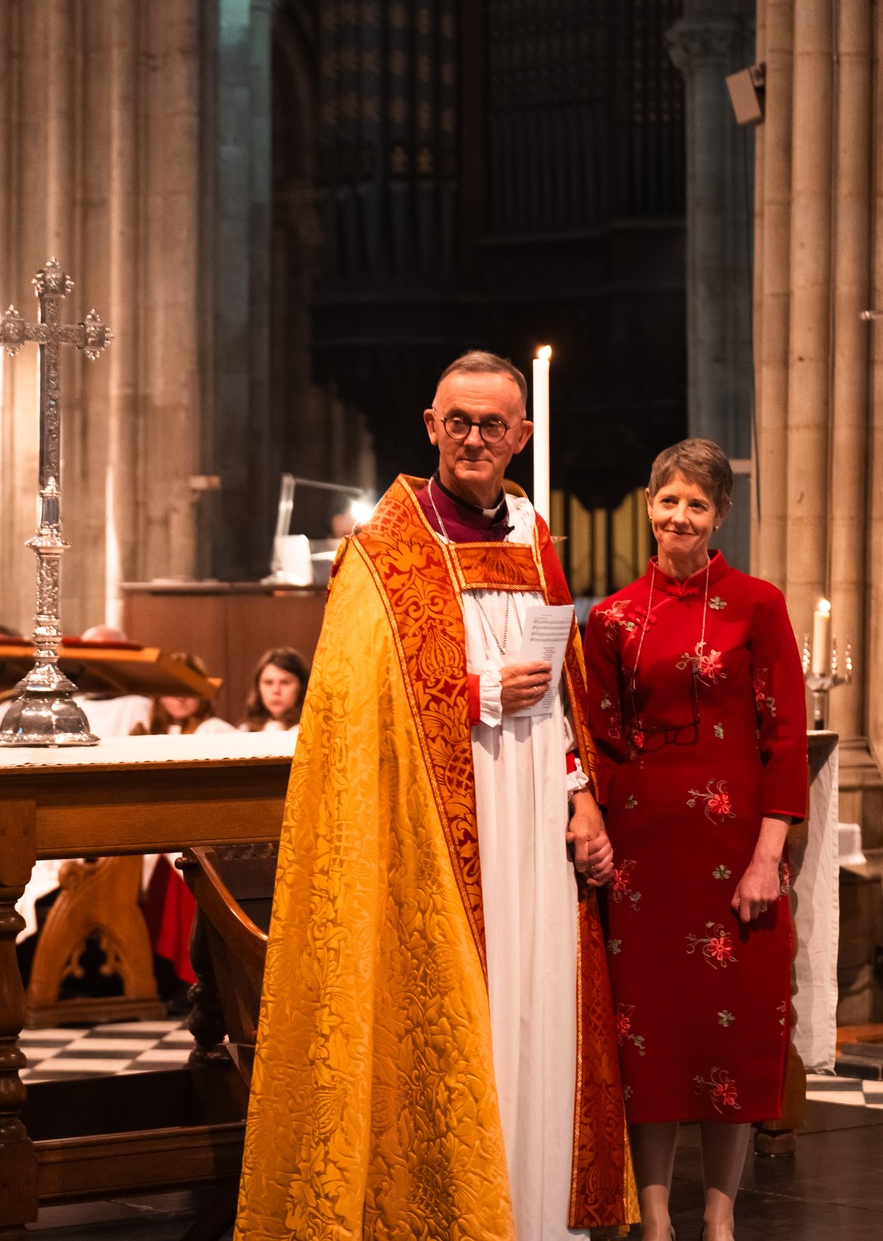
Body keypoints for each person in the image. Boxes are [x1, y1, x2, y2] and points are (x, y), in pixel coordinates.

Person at [237, 351, 632, 1239]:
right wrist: (479, 694)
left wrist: (582, 795)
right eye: (459, 421)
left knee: (540, 1009)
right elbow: (354, 705)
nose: (475, 440)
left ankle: (535, 1216)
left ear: (521, 437)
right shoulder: (387, 551)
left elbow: (566, 691)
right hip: (439, 829)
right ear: (430, 425)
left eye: (494, 425)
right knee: (471, 1020)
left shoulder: (537, 541)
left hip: (536, 818)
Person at [581, 439, 808, 1241]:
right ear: (650, 505)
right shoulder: (609, 616)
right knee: (649, 1039)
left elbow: (786, 736)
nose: (680, 517)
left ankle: (719, 1217)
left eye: (697, 505)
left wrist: (767, 857)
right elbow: (602, 740)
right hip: (643, 858)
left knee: (732, 1033)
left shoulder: (760, 603)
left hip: (736, 847)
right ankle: (653, 1218)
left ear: (720, 516)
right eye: (669, 500)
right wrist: (592, 825)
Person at [240, 647, 307, 734]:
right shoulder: (244, 731)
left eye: (285, 682)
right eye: (268, 682)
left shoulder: (309, 732)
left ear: (302, 686)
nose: (276, 690)